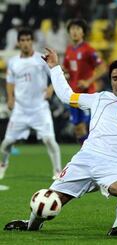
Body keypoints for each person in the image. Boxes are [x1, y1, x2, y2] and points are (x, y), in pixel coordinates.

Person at [4, 48, 117, 236]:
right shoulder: (99, 98)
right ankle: (31, 225)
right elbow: (67, 96)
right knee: (51, 198)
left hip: (113, 164)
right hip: (85, 159)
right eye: (115, 78)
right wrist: (54, 67)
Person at [0, 28, 62, 180]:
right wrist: (10, 97)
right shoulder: (13, 62)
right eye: (23, 40)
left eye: (28, 40)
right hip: (20, 109)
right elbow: (10, 81)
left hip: (40, 108)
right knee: (7, 142)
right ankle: (3, 165)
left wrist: (50, 88)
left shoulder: (41, 59)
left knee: (49, 140)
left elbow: (56, 73)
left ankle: (58, 172)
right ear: (18, 43)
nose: (26, 43)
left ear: (32, 41)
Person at [63, 18, 107, 144]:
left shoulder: (89, 50)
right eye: (72, 29)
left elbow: (102, 67)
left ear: (83, 32)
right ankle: (85, 153)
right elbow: (66, 68)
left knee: (86, 126)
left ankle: (92, 153)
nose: (74, 32)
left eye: (77, 29)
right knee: (78, 127)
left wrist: (88, 81)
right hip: (73, 95)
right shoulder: (69, 50)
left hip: (86, 94)